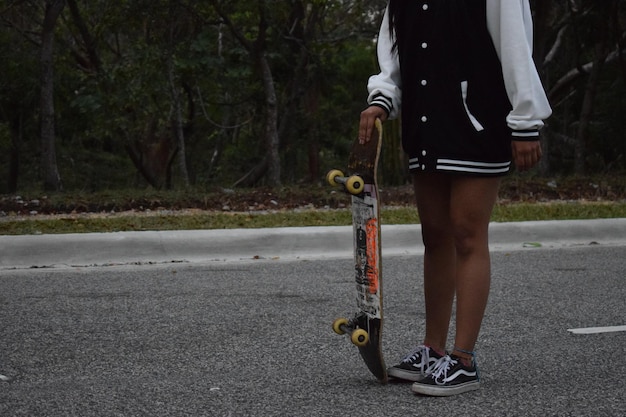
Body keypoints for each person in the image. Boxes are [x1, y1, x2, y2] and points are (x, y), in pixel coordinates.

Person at [358, 0, 552, 396]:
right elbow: (392, 50)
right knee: (436, 235)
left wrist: (526, 120)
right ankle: (434, 350)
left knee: (467, 234)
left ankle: (463, 360)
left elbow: (516, 45)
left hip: (477, 121)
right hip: (425, 121)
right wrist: (382, 98)